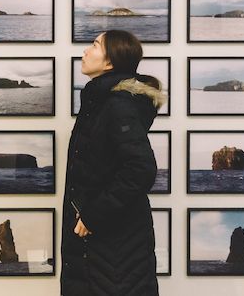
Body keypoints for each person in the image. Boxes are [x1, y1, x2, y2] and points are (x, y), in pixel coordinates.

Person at [61, 30, 166, 296]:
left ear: (110, 62)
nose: (85, 51)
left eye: (94, 45)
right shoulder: (102, 101)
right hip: (104, 245)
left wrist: (93, 216)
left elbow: (141, 169)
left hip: (113, 245)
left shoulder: (119, 105)